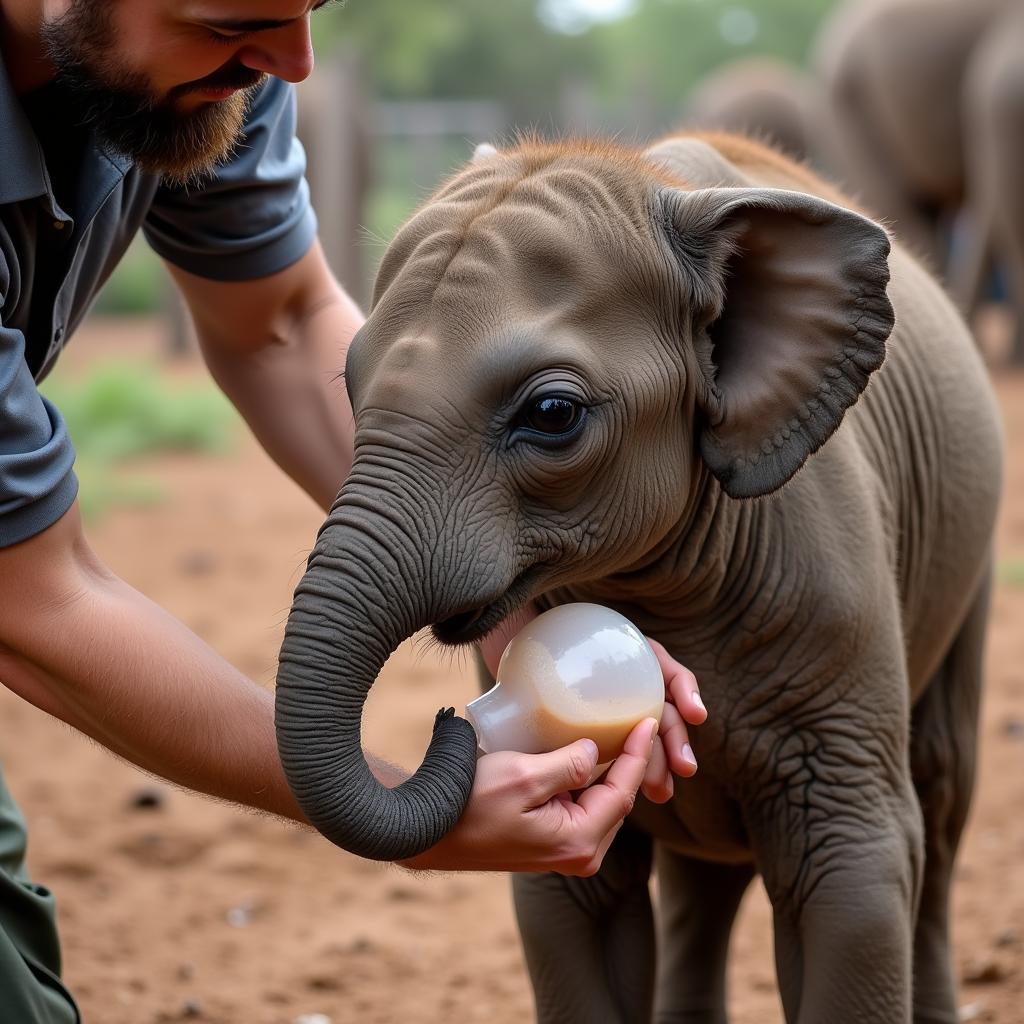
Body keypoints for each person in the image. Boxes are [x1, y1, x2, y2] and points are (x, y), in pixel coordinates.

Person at [0, 1, 707, 1019]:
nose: (292, 62)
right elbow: (35, 600)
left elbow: (281, 325)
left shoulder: (204, 69)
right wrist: (383, 800)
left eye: (310, 8)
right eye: (239, 17)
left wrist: (510, 590)